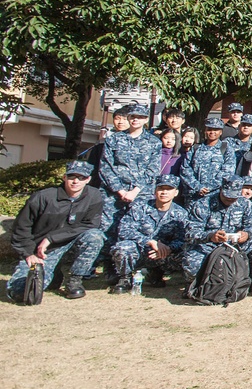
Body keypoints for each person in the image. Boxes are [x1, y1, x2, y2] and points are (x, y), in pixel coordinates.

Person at [7, 161, 105, 301]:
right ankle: (54, 275)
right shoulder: (43, 197)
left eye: (81, 177)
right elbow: (21, 228)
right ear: (64, 177)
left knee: (95, 236)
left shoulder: (94, 196)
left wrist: (51, 238)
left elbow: (91, 224)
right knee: (22, 292)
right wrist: (28, 254)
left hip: (70, 246)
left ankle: (74, 281)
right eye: (71, 176)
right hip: (43, 252)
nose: (76, 181)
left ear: (88, 179)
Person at [109, 174, 188, 293]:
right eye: (161, 188)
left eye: (169, 189)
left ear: (176, 192)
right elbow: (124, 230)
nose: (164, 192)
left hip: (164, 255)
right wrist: (150, 242)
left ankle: (157, 273)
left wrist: (168, 248)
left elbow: (182, 239)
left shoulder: (181, 213)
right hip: (141, 251)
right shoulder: (139, 207)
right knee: (123, 247)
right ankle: (125, 278)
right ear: (155, 191)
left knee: (188, 253)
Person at [99, 103, 161, 245]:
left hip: (140, 194)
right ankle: (105, 264)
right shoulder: (113, 139)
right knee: (107, 229)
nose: (135, 120)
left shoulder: (154, 142)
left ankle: (129, 263)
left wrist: (134, 191)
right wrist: (120, 190)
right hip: (113, 193)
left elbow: (152, 170)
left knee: (137, 229)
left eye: (140, 117)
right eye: (133, 116)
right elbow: (105, 166)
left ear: (145, 120)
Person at [183, 175, 252, 283]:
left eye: (233, 197)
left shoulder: (246, 204)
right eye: (227, 196)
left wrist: (247, 234)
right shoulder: (203, 204)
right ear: (220, 190)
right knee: (192, 264)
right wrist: (210, 236)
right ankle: (196, 285)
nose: (229, 199)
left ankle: (244, 281)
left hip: (236, 245)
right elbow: (190, 232)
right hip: (208, 246)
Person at [181, 117, 237, 203]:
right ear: (205, 130)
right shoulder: (196, 148)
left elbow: (227, 172)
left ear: (221, 132)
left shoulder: (226, 149)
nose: (212, 132)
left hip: (214, 197)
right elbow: (185, 169)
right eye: (209, 129)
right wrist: (197, 187)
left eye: (216, 130)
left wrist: (208, 187)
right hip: (193, 196)